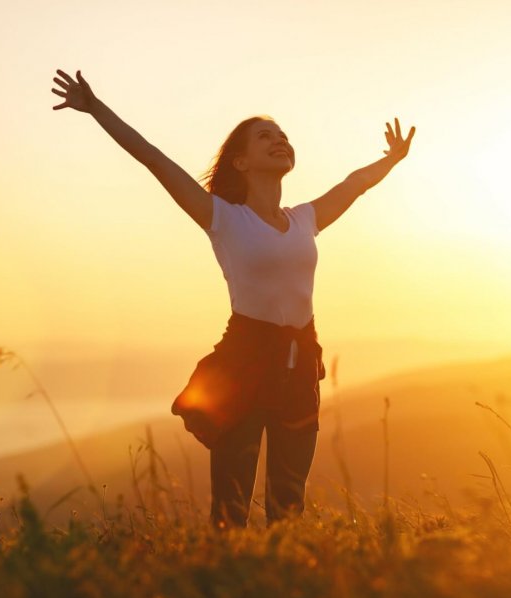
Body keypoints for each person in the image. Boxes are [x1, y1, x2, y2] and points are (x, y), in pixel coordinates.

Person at [50, 69, 415, 529]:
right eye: (265, 137)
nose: (279, 140)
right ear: (240, 162)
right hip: (244, 362)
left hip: (300, 363)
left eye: (282, 136)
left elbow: (354, 184)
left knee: (288, 503)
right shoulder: (221, 217)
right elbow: (154, 160)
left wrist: (393, 159)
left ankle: (281, 584)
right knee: (231, 505)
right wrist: (96, 108)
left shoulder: (306, 219)